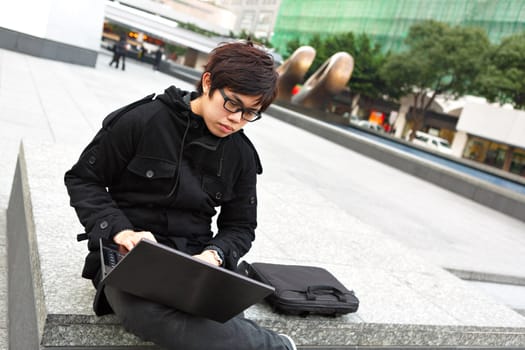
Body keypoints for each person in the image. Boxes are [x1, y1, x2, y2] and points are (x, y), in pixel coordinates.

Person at [64, 41, 297, 350]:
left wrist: (214, 255)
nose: (236, 120)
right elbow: (83, 179)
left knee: (217, 312)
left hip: (198, 259)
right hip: (130, 255)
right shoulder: (143, 120)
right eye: (232, 104)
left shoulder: (240, 154)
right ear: (208, 82)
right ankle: (277, 347)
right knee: (144, 314)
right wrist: (121, 231)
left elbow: (240, 227)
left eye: (249, 113)